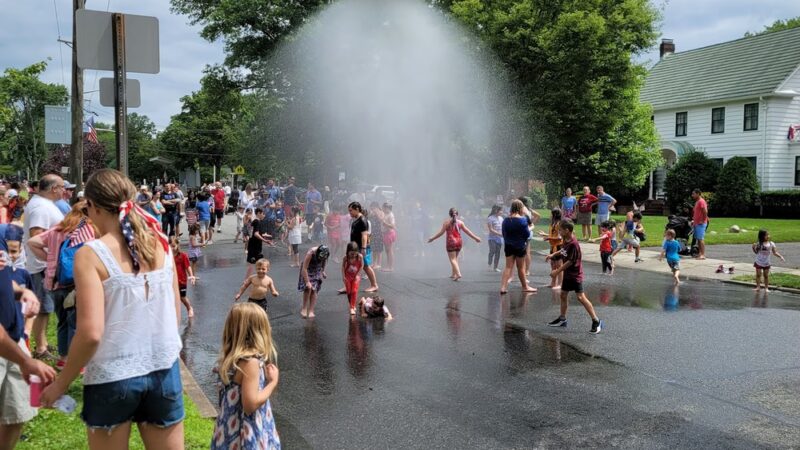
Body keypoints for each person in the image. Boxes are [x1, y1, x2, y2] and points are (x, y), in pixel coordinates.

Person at [39, 169, 185, 449]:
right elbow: (174, 313)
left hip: (112, 376)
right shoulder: (161, 243)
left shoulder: (91, 254)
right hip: (163, 369)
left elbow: (91, 333)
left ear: (92, 206)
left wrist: (60, 384)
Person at [26, 201, 95, 369]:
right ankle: (75, 362)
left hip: (55, 281)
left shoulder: (57, 230)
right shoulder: (88, 230)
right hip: (76, 283)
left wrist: (50, 259)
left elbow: (33, 241)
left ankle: (63, 358)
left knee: (62, 322)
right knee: (76, 323)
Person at [0, 257, 56, 450]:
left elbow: (4, 275)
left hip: (13, 339)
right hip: (6, 345)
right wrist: (25, 361)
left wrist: (21, 291)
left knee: (17, 411)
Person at [211, 303, 280, 450]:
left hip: (228, 432)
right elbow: (250, 405)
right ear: (259, 332)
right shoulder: (250, 363)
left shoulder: (231, 359)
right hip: (245, 435)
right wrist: (272, 383)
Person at [23, 174, 65, 362]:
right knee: (43, 307)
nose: (65, 190)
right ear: (53, 188)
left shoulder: (43, 204)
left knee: (45, 306)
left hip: (44, 264)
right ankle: (40, 347)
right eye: (62, 187)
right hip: (41, 265)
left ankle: (43, 344)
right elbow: (37, 235)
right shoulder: (41, 207)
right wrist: (50, 259)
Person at [545, 220, 603, 334]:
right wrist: (553, 254)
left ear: (567, 230)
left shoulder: (574, 244)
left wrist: (556, 272)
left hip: (575, 275)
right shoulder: (566, 240)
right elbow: (563, 251)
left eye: (560, 230)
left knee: (581, 297)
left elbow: (570, 262)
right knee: (563, 294)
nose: (559, 232)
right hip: (568, 274)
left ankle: (596, 320)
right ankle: (562, 319)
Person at [427, 208, 481, 281]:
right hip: (459, 242)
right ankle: (453, 274)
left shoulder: (446, 223)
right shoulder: (461, 222)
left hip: (451, 242)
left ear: (449, 214)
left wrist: (432, 238)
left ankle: (458, 274)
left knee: (452, 259)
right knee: (455, 258)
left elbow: (441, 233)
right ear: (457, 214)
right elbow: (467, 231)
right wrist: (476, 238)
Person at [499, 200, 535, 294]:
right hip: (520, 246)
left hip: (508, 246)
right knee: (520, 268)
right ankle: (525, 286)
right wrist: (531, 228)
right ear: (520, 208)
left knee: (508, 267)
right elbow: (526, 234)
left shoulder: (506, 220)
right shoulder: (522, 220)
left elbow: (503, 233)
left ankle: (503, 287)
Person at [298, 245, 330, 318]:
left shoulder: (325, 254)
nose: (321, 259)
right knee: (308, 288)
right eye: (320, 257)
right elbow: (304, 268)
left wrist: (323, 271)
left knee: (314, 289)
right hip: (307, 269)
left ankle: (311, 310)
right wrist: (307, 282)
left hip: (316, 269)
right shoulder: (311, 253)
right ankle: (304, 309)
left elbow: (324, 261)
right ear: (317, 254)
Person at [171, 236, 196, 318]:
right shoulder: (168, 257)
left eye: (174, 246)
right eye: (170, 246)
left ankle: (189, 308)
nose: (172, 248)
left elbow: (188, 267)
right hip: (172, 281)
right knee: (172, 297)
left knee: (182, 297)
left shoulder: (183, 255)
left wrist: (191, 276)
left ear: (177, 245)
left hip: (182, 280)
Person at [540, 208, 565, 286]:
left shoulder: (559, 224)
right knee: (553, 265)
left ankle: (560, 284)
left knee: (559, 266)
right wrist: (545, 234)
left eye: (551, 214)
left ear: (554, 215)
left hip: (559, 247)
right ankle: (553, 283)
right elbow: (553, 235)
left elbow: (560, 237)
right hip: (552, 246)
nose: (550, 215)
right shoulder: (553, 224)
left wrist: (548, 238)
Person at [246, 208, 272, 279]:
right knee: (253, 264)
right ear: (258, 213)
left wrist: (266, 236)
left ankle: (259, 279)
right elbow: (256, 234)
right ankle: (247, 281)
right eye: (263, 213)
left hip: (255, 246)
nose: (264, 215)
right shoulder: (257, 222)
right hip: (254, 247)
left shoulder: (256, 222)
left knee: (259, 264)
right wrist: (265, 240)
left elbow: (259, 233)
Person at [342, 241, 364, 315]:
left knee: (354, 291)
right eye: (351, 254)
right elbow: (342, 266)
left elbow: (362, 266)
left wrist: (358, 275)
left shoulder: (359, 257)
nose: (353, 255)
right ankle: (352, 304)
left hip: (356, 277)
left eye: (355, 253)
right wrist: (343, 276)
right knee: (349, 291)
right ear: (348, 252)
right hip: (348, 276)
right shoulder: (346, 258)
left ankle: (352, 307)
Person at [691, 189, 709, 260]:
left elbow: (705, 211)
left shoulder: (701, 201)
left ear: (698, 194)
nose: (692, 195)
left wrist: (702, 220)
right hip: (696, 223)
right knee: (698, 239)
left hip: (701, 223)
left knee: (701, 239)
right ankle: (700, 253)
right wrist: (693, 220)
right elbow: (697, 213)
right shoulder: (697, 202)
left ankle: (703, 255)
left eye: (693, 194)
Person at [486, 205, 504, 272]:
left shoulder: (501, 218)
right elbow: (490, 229)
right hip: (492, 238)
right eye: (501, 210)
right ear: (496, 210)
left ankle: (495, 267)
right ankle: (489, 265)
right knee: (492, 251)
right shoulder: (490, 218)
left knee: (498, 252)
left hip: (499, 239)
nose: (502, 212)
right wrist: (499, 234)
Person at [381, 203, 397, 272]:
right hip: (386, 233)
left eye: (384, 208)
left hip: (389, 233)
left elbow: (393, 226)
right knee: (387, 251)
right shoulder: (386, 214)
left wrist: (385, 224)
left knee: (389, 250)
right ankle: (388, 266)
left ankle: (390, 267)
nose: (383, 209)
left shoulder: (390, 215)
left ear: (387, 208)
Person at [368, 202, 384, 269]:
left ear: (376, 207)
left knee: (379, 249)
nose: (372, 208)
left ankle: (379, 264)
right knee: (373, 248)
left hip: (379, 232)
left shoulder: (381, 212)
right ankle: (374, 263)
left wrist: (377, 214)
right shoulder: (372, 212)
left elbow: (381, 220)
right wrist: (370, 214)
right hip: (373, 232)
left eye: (372, 207)